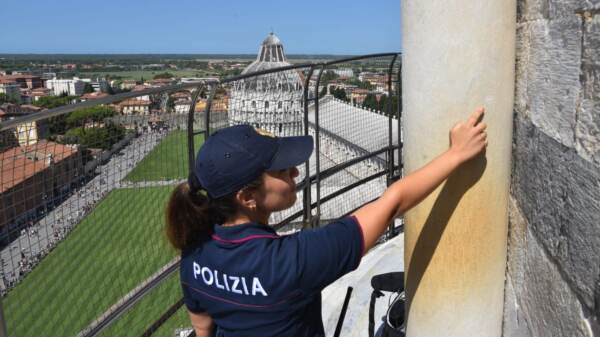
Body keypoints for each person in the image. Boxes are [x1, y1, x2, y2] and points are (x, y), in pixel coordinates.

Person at [165, 108, 487, 337]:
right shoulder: (292, 261)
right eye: (282, 171)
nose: (295, 173)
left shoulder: (194, 254)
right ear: (247, 197)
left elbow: (203, 329)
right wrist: (456, 154)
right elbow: (392, 204)